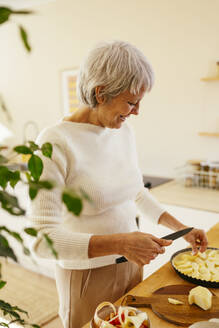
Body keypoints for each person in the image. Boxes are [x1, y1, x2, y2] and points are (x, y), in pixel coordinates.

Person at [29, 41, 208, 328]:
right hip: (86, 277)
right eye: (131, 101)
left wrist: (182, 229)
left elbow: (136, 192)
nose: (136, 111)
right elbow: (42, 240)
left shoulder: (123, 132)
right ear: (101, 93)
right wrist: (122, 242)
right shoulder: (55, 142)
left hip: (131, 266)